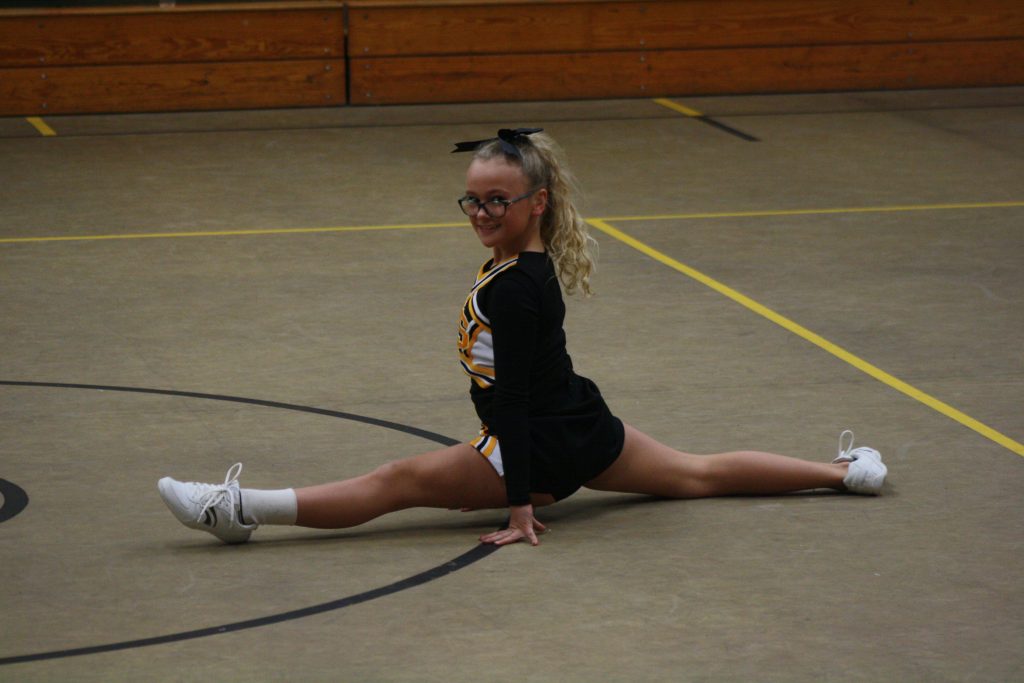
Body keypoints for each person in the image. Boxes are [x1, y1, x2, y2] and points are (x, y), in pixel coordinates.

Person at [158, 128, 887, 547]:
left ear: (536, 202)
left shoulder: (516, 288)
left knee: (395, 482)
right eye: (472, 198)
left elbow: (508, 402)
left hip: (536, 440)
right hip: (582, 422)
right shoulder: (522, 266)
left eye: (496, 200)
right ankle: (844, 471)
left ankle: (238, 508)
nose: (479, 210)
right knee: (696, 473)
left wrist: (518, 504)